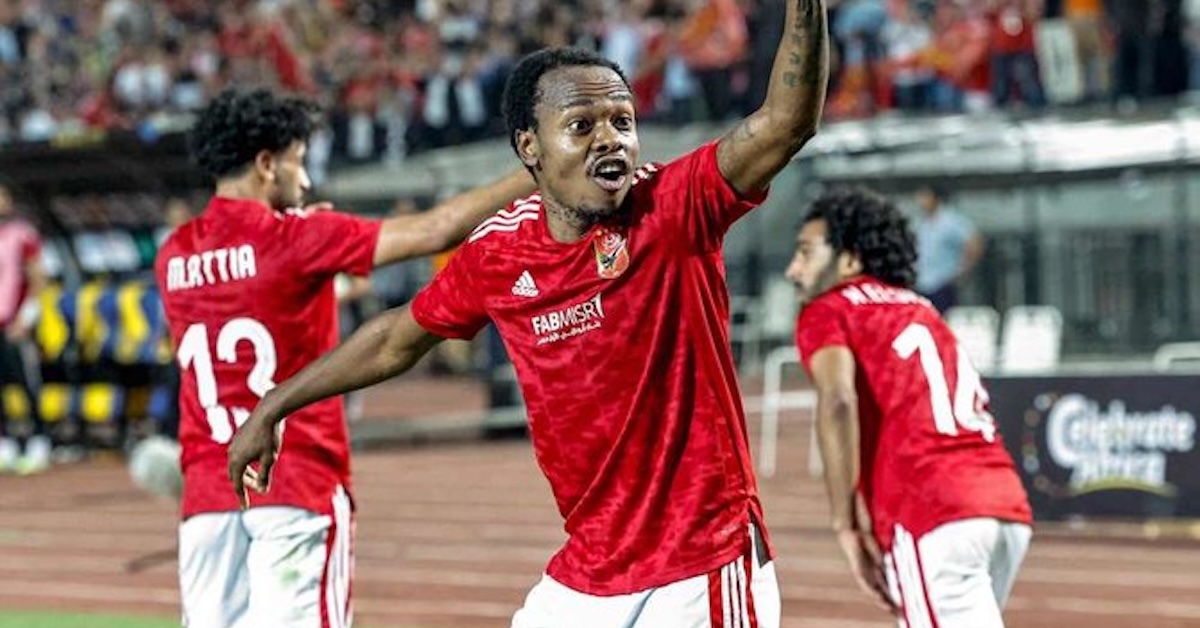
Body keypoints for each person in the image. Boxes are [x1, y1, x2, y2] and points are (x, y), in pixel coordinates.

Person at [229, 0, 830, 623]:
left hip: (702, 561)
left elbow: (785, 123)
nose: (610, 139)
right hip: (591, 566)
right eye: (582, 125)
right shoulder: (497, 253)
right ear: (529, 146)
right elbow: (394, 340)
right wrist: (274, 405)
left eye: (622, 121)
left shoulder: (674, 206)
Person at [155, 88, 535, 628]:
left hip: (207, 499)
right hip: (295, 481)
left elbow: (250, 301)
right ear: (266, 164)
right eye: (298, 162)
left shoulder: (174, 253)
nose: (305, 181)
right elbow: (437, 229)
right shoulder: (299, 236)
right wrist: (540, 167)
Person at [786, 187, 1032, 627]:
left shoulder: (828, 309)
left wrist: (846, 524)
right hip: (1003, 503)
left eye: (806, 252)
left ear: (849, 260)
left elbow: (838, 399)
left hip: (931, 508)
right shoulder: (920, 307)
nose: (793, 269)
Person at [0, 183, 51, 475]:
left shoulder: (23, 234)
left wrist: (25, 318)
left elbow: (38, 278)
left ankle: (39, 439)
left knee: (27, 384)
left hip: (15, 324)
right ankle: (5, 443)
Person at [913, 184, 983, 313]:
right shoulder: (921, 223)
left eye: (925, 197)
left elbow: (974, 241)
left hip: (943, 283)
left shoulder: (950, 221)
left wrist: (964, 270)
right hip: (922, 284)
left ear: (935, 198)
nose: (920, 201)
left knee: (944, 318)